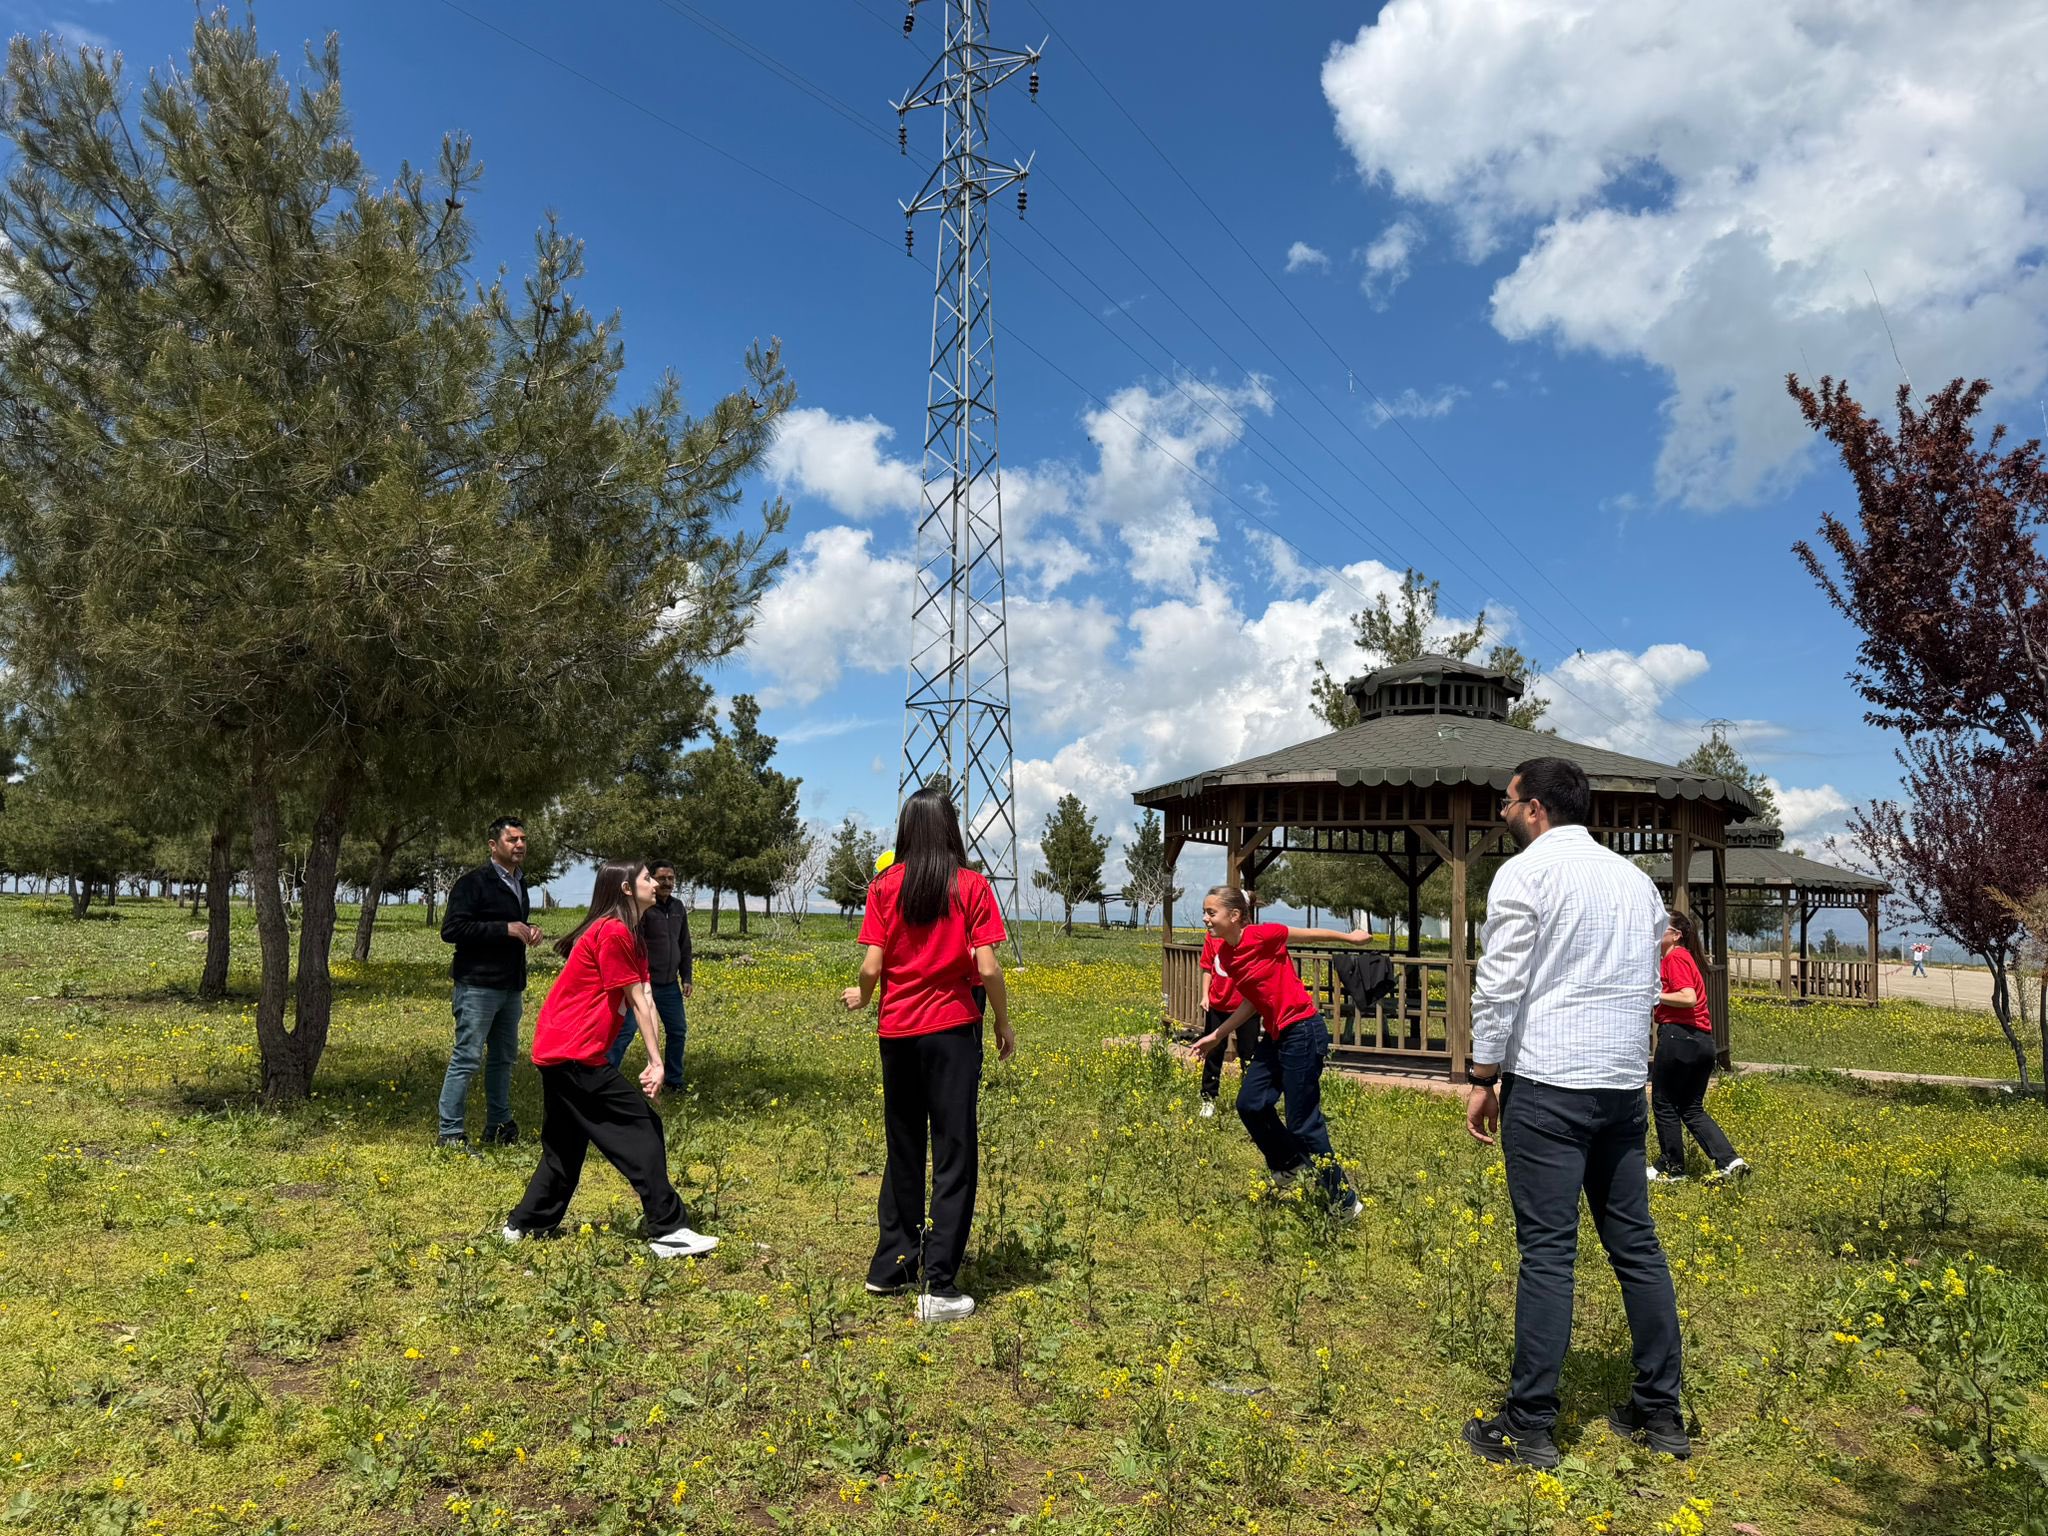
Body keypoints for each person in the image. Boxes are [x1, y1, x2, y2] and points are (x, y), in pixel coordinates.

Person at [1462, 757, 1688, 1468]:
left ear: (1534, 808)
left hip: (1549, 1082)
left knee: (1549, 1254)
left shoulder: (1526, 874)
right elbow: (1649, 982)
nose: (1502, 812)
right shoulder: (1637, 883)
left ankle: (1530, 1425)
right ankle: (1661, 1412)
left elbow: (1500, 984)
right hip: (1622, 1085)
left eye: (1508, 801)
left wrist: (1483, 1073)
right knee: (1637, 1247)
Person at [842, 787, 1015, 1322]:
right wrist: (1003, 1022)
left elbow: (872, 966)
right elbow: (986, 969)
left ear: (905, 829)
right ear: (950, 829)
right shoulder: (970, 885)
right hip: (953, 1032)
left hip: (897, 1033)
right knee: (954, 1153)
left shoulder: (885, 885)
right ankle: (939, 1287)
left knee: (904, 1146)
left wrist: (863, 996)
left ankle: (892, 1269)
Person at [502, 859, 717, 1259]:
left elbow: (647, 996)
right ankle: (668, 1230)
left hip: (562, 1050)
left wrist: (656, 1059)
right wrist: (656, 1061)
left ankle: (523, 1225)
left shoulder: (630, 935)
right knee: (642, 1125)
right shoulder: (613, 931)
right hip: (573, 1052)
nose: (655, 883)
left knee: (565, 1146)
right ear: (625, 889)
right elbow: (636, 1000)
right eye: (647, 878)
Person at [1189, 889, 1371, 1216]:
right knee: (1250, 1103)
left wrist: (1350, 937)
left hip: (1302, 1030)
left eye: (1211, 912)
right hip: (1277, 1035)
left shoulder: (1263, 934)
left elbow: (1311, 934)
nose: (1206, 918)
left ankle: (1344, 1200)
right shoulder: (1227, 957)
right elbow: (1253, 1001)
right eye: (1205, 912)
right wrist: (1216, 1035)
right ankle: (1287, 1163)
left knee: (1303, 1123)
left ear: (1234, 915)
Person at [436, 816, 543, 1150]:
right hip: (478, 986)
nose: (520, 845)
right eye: (512, 840)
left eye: (523, 839)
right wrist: (504, 928)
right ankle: (450, 1133)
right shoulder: (473, 883)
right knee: (467, 1057)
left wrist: (528, 929)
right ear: (493, 845)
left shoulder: (519, 882)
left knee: (504, 1058)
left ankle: (499, 1125)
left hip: (510, 985)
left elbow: (512, 924)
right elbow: (452, 930)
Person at [1648, 909, 1748, 1183]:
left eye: (1662, 928)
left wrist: (1653, 994)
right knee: (1691, 1107)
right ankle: (1730, 1160)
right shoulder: (1685, 958)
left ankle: (1672, 1167)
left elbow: (1688, 997)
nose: (1656, 932)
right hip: (1702, 1041)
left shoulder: (1676, 957)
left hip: (1678, 1038)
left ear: (1676, 935)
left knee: (1664, 1103)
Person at [605, 858, 693, 1094]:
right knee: (625, 1033)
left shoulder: (677, 908)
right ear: (652, 880)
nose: (666, 883)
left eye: (671, 878)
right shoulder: (644, 908)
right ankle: (605, 1077)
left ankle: (673, 1081)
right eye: (661, 878)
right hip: (644, 984)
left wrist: (687, 976)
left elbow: (684, 944)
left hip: (670, 985)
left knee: (677, 1031)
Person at [1195, 925, 1257, 1118]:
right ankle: (1208, 1099)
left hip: (1247, 1006)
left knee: (1249, 1054)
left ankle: (1250, 1102)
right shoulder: (1212, 936)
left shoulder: (1250, 935)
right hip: (1218, 1004)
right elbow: (1207, 967)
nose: (1209, 920)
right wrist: (1205, 995)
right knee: (1213, 1052)